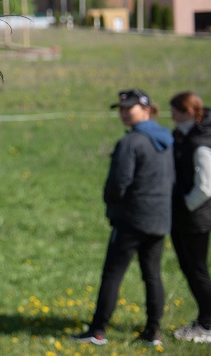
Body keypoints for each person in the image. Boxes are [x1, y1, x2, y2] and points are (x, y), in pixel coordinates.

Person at [72, 89, 174, 347]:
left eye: (130, 108)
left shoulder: (131, 143)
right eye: (121, 108)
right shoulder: (166, 139)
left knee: (112, 275)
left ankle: (97, 331)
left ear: (147, 109)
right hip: (160, 218)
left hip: (132, 219)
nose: (124, 113)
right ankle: (153, 332)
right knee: (152, 275)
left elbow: (118, 184)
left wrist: (113, 207)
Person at [169, 91, 211, 344]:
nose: (171, 114)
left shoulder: (201, 143)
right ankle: (205, 321)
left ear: (187, 111)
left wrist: (184, 206)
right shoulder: (183, 135)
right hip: (184, 216)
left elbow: (205, 186)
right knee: (189, 268)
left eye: (175, 110)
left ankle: (207, 324)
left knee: (197, 269)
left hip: (195, 218)